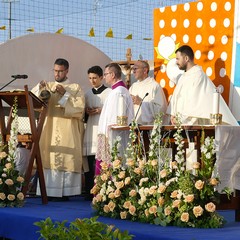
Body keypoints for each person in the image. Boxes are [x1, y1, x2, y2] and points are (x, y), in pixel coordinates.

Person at [32, 58, 85, 200]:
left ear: (67, 71)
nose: (57, 74)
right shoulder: (48, 85)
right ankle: (46, 191)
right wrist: (39, 87)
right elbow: (33, 100)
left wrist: (65, 94)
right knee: (48, 157)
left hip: (68, 130)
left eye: (60, 71)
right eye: (55, 71)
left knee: (66, 159)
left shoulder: (75, 88)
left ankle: (65, 193)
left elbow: (79, 109)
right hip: (49, 127)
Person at [166, 45, 238, 126]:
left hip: (191, 127)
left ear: (186, 58)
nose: (176, 62)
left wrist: (180, 120)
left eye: (178, 59)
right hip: (178, 124)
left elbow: (195, 105)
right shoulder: (183, 77)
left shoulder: (198, 76)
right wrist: (173, 115)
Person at [95, 63, 134, 174]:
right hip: (111, 136)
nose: (105, 76)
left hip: (113, 138)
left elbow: (115, 120)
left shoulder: (118, 92)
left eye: (106, 74)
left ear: (112, 74)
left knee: (112, 168)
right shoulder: (118, 90)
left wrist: (108, 137)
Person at [83, 65, 111, 200]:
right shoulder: (87, 94)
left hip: (101, 128)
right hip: (90, 128)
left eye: (95, 78)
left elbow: (112, 111)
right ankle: (89, 190)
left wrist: (101, 110)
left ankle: (101, 190)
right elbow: (83, 113)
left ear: (101, 77)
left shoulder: (109, 92)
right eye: (90, 78)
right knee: (89, 161)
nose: (92, 81)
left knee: (100, 161)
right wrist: (86, 112)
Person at [129, 60, 167, 124]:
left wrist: (141, 102)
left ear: (145, 70)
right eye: (132, 69)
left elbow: (161, 110)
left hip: (148, 128)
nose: (133, 71)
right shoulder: (133, 86)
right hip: (133, 126)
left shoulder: (154, 86)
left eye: (135, 68)